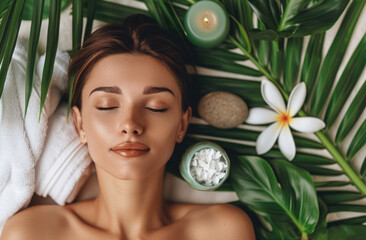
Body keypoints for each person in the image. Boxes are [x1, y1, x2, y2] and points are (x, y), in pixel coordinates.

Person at [1, 14, 255, 240]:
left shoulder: (222, 231)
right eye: (107, 106)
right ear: (80, 125)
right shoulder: (33, 233)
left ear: (181, 124)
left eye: (156, 107)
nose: (130, 125)